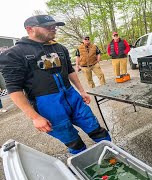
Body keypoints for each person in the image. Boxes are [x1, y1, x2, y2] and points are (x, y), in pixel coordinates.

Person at [0, 15, 111, 154]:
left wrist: (82, 91)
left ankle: (113, 154)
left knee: (97, 130)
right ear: (30, 29)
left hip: (73, 98)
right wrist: (35, 117)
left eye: (54, 25)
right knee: (73, 142)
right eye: (48, 26)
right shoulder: (14, 54)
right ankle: (84, 162)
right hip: (48, 106)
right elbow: (14, 89)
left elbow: (70, 71)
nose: (54, 28)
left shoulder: (60, 48)